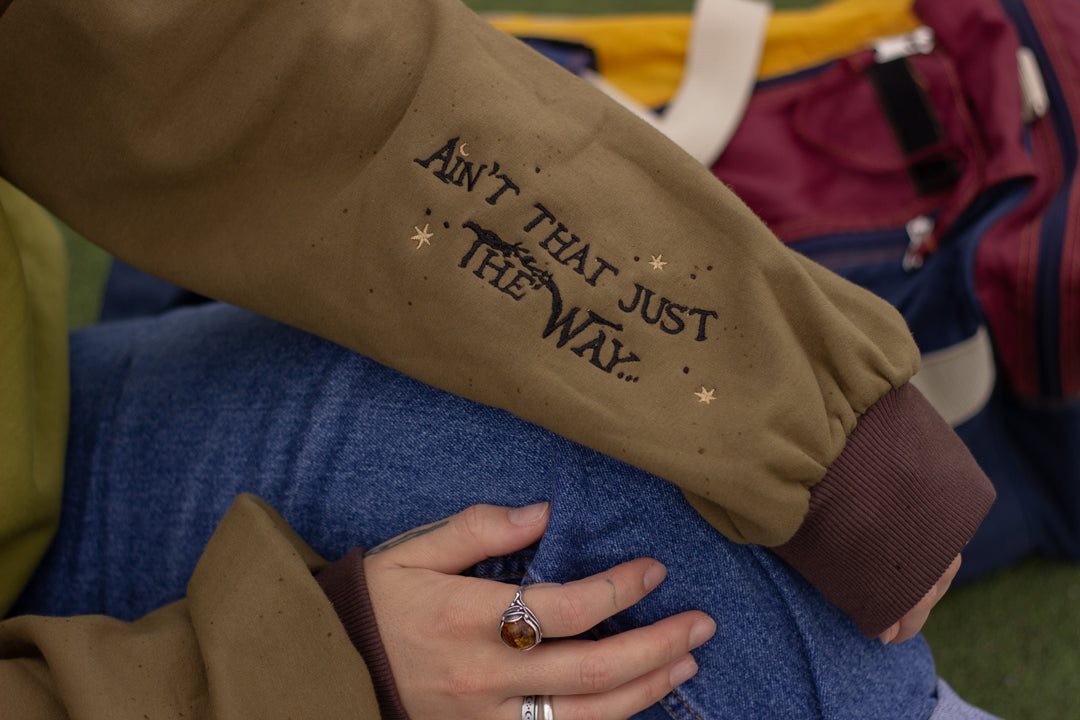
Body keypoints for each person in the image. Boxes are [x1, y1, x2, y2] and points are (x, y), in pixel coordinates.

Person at [0, 0, 996, 716]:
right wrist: (285, 676)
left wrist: (808, 418)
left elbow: (223, 51)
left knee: (622, 479)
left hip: (35, 442)